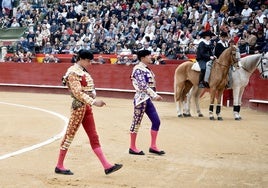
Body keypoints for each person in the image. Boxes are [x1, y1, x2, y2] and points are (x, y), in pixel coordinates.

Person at [55, 49, 122, 175]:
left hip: (86, 107)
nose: (90, 63)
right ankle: (59, 165)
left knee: (94, 136)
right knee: (70, 135)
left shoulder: (82, 71)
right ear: (81, 59)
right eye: (88, 60)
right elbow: (77, 93)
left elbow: (90, 89)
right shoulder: (72, 72)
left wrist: (93, 96)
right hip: (79, 108)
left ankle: (107, 166)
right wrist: (94, 101)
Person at [129, 49, 165, 156]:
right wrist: (154, 95)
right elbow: (142, 85)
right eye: (149, 56)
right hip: (140, 99)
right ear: (143, 58)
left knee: (156, 121)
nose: (151, 57)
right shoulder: (138, 69)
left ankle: (153, 146)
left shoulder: (145, 69)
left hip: (147, 99)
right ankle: (132, 147)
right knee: (136, 123)